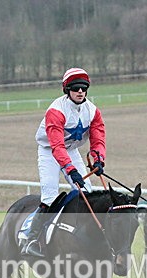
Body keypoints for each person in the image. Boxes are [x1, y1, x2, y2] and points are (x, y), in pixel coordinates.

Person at [22, 67, 106, 257]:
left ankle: (86, 237)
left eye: (84, 88)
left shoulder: (93, 111)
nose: (80, 92)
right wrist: (71, 170)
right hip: (49, 151)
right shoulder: (56, 111)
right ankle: (32, 239)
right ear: (67, 90)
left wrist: (99, 160)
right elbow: (57, 146)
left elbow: (98, 139)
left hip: (71, 150)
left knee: (87, 192)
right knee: (50, 196)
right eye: (76, 88)